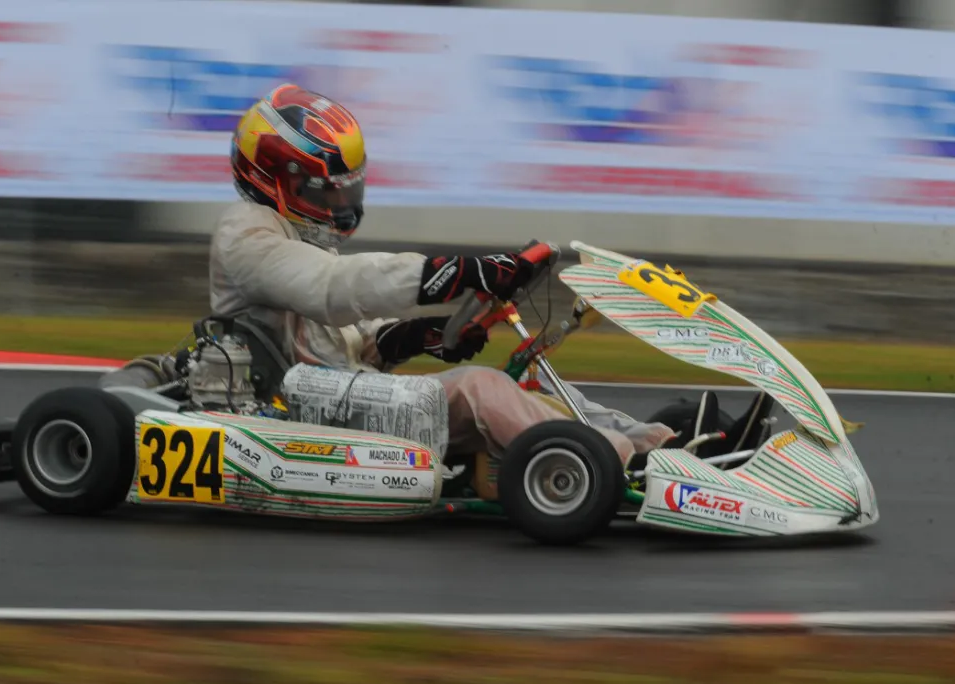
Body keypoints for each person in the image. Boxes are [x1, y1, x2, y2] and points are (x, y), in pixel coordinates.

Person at [105, 84, 674, 466]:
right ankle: (607, 461)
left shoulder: (295, 237)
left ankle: (657, 445)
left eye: (348, 185)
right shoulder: (246, 235)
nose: (343, 202)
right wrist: (462, 272)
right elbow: (335, 292)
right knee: (482, 388)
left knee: (525, 379)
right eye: (326, 189)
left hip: (342, 393)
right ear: (274, 179)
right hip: (302, 411)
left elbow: (349, 337)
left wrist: (421, 336)